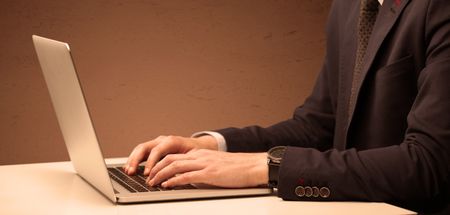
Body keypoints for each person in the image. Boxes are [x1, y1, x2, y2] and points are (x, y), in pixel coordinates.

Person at [124, 0, 449, 213]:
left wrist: (266, 167)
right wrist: (209, 145)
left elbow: (428, 163)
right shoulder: (350, 6)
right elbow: (317, 126)